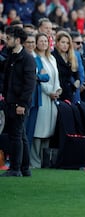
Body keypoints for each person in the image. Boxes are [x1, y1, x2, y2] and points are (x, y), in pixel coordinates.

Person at [0, 26, 36, 177]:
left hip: (19, 103)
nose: (6, 40)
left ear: (18, 40)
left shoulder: (27, 59)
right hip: (10, 101)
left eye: (9, 38)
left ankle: (16, 168)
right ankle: (25, 168)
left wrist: (22, 104)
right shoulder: (10, 55)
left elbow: (29, 85)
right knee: (20, 136)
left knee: (16, 136)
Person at [31, 33, 62, 168]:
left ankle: (44, 160)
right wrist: (49, 92)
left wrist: (57, 90)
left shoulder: (52, 58)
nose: (44, 43)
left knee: (49, 128)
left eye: (45, 41)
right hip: (43, 96)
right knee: (39, 129)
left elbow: (55, 76)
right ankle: (34, 160)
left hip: (53, 98)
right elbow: (41, 78)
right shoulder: (35, 58)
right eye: (41, 41)